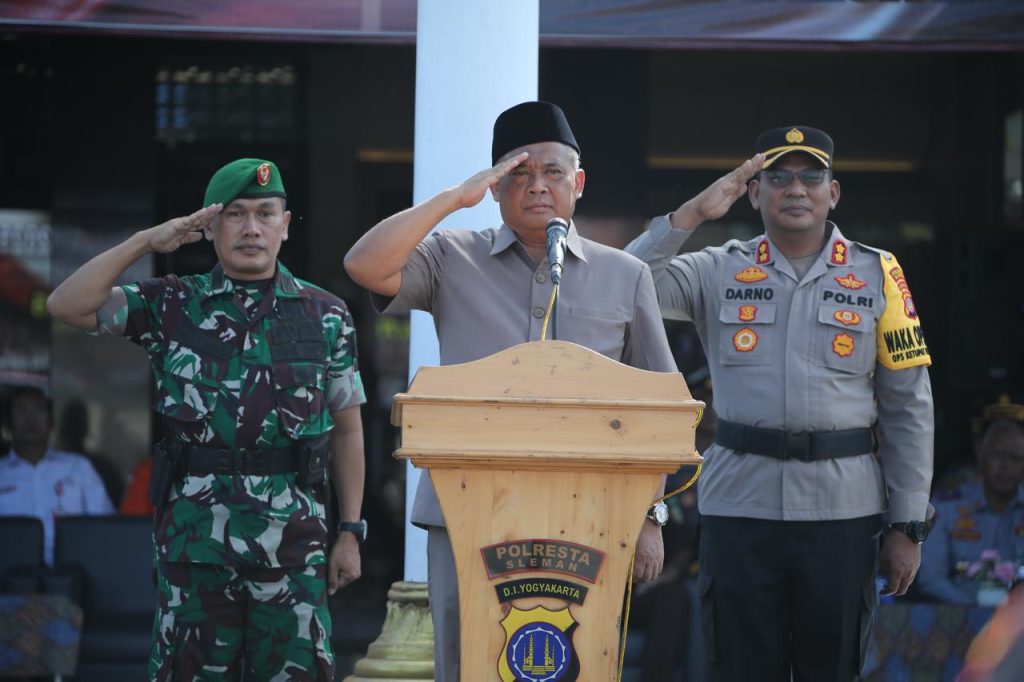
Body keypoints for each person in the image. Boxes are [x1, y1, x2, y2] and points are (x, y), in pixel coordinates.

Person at [344, 101, 679, 681]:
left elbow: (661, 410)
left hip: (591, 513)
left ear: (578, 183)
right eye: (518, 174)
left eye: (552, 172)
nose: (537, 186)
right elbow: (365, 266)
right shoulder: (452, 256)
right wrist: (455, 198)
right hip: (466, 508)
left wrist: (651, 515)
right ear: (496, 187)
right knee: (466, 658)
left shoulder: (625, 275)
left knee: (575, 659)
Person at [625, 126, 935, 681]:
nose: (796, 188)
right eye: (779, 177)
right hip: (740, 508)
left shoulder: (878, 273)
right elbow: (625, 283)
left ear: (832, 192)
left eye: (811, 176)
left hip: (843, 512)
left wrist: (907, 524)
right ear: (754, 192)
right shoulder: (718, 268)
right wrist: (692, 215)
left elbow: (908, 406)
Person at [46, 158, 367, 681]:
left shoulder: (325, 314)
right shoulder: (172, 303)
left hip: (292, 547)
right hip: (196, 546)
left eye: (265, 213)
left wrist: (350, 530)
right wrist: (146, 242)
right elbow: (66, 305)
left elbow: (348, 429)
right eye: (234, 214)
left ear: (286, 225)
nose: (251, 228)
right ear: (210, 228)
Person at [0, 386, 115, 565]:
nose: (31, 419)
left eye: (39, 410)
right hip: (9, 571)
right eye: (21, 411)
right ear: (7, 423)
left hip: (73, 569)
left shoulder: (78, 467)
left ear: (52, 421)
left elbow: (104, 526)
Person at [918, 413, 1024, 604]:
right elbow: (930, 578)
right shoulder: (948, 506)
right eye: (997, 455)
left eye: (1015, 458)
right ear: (980, 453)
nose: (1006, 465)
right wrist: (974, 609)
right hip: (958, 614)